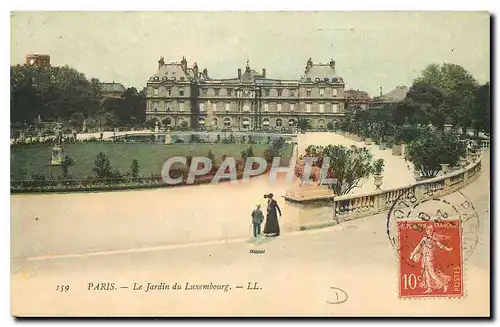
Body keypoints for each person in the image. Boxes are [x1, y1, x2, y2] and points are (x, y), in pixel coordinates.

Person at [410, 225, 453, 294]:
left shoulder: (434, 239)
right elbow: (418, 246)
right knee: (426, 273)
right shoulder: (424, 238)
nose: (429, 231)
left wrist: (448, 249)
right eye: (428, 230)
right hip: (424, 257)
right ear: (426, 231)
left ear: (432, 231)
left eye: (430, 230)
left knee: (432, 273)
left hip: (430, 258)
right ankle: (429, 288)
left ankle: (444, 284)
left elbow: (441, 246)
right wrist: (412, 254)